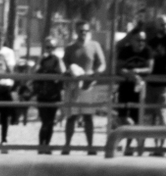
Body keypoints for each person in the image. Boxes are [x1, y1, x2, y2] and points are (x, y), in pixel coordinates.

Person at [63, 21, 109, 152]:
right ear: (76, 32)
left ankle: (90, 146)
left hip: (89, 87)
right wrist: (71, 72)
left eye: (86, 30)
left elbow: (102, 64)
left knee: (88, 117)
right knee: (71, 117)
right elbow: (65, 65)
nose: (83, 33)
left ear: (89, 31)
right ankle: (67, 146)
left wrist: (94, 74)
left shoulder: (95, 46)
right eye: (80, 30)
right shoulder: (70, 48)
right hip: (73, 87)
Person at [113, 15, 150, 130]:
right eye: (138, 40)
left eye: (143, 40)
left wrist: (137, 71)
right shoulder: (125, 48)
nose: (141, 42)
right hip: (125, 87)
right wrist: (129, 73)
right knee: (123, 117)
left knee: (137, 117)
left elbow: (149, 68)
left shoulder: (147, 50)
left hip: (139, 89)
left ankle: (133, 144)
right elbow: (118, 67)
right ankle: (127, 135)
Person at [29, 37, 64, 155]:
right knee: (45, 121)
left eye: (52, 47)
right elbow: (33, 73)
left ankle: (46, 145)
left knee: (50, 122)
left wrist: (59, 60)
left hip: (54, 95)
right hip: (42, 94)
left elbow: (63, 73)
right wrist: (39, 61)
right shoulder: (41, 60)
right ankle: (41, 145)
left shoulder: (57, 60)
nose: (49, 50)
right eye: (47, 47)